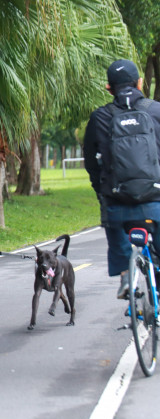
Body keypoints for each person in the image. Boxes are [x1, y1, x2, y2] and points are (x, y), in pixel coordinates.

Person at [84, 59, 160, 299]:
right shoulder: (156, 111)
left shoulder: (99, 118)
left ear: (109, 88)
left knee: (116, 231)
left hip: (117, 206)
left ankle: (126, 277)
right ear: (140, 83)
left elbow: (91, 164)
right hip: (156, 203)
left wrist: (101, 192)